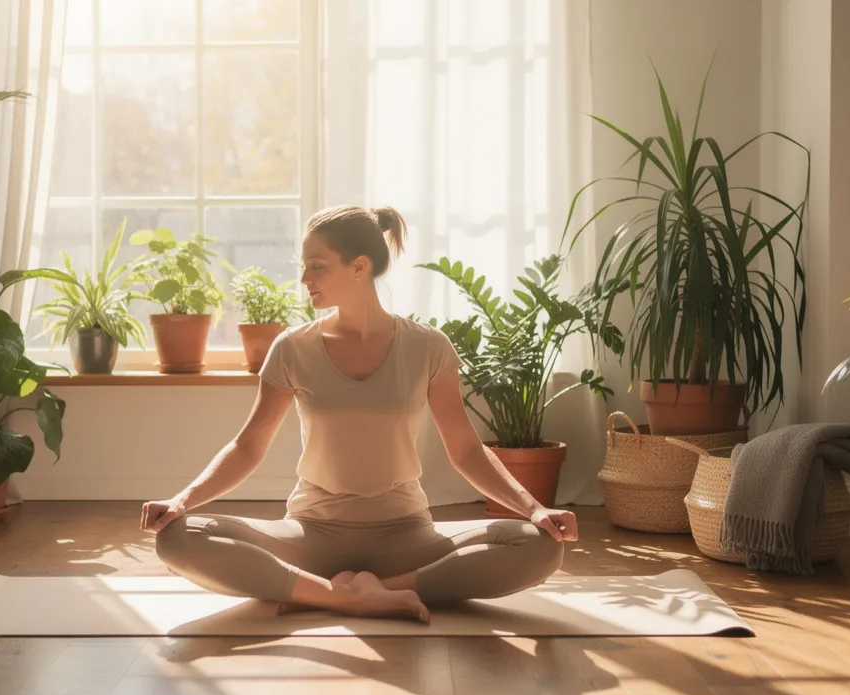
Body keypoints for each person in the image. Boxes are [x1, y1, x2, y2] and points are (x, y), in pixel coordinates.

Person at [142, 205, 578, 623]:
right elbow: (248, 446)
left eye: (317, 266)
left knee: (538, 545)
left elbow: (464, 449)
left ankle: (361, 589)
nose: (303, 278)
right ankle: (345, 596)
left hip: (405, 534)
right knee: (179, 537)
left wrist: (535, 508)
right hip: (312, 532)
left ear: (358, 266)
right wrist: (182, 500)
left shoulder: (428, 347)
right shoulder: (293, 348)